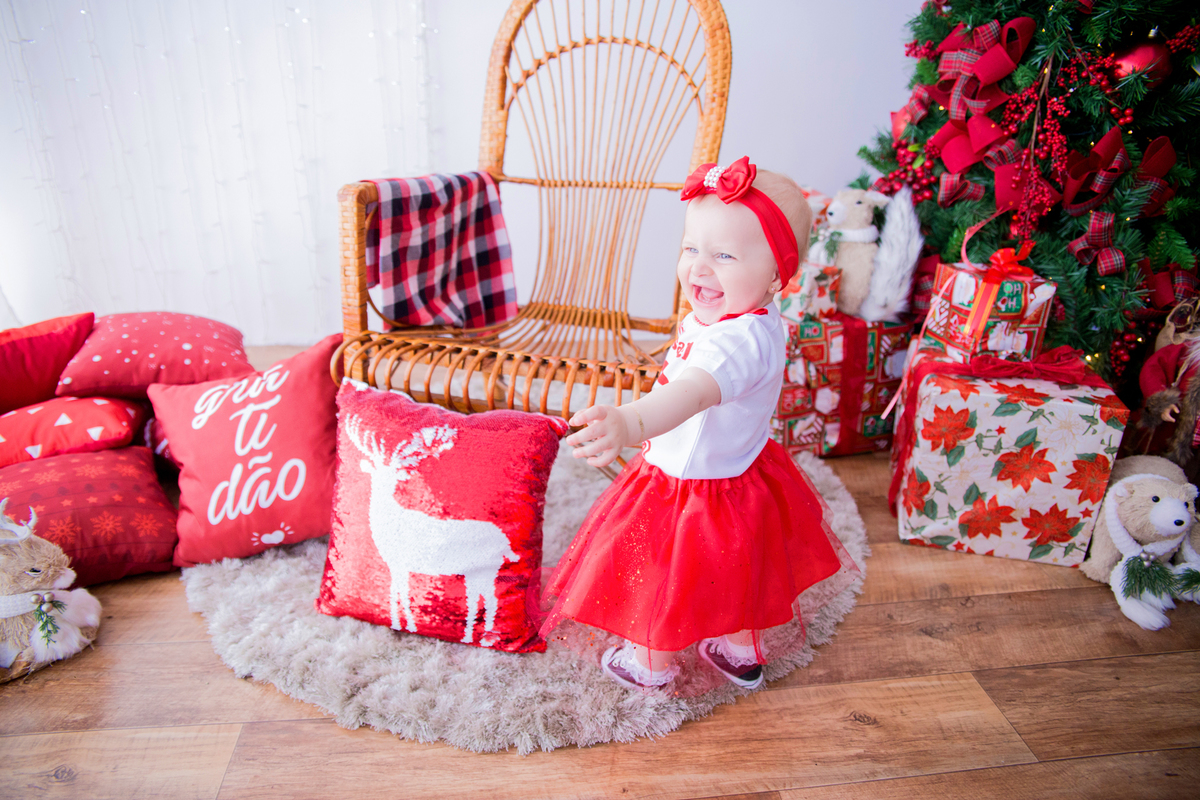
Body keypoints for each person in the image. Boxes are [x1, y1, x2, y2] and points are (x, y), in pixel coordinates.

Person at [540, 157, 860, 693]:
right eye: (691, 248)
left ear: (778, 274)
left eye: (725, 255)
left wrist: (630, 420)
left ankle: (650, 662)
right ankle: (739, 652)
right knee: (736, 570)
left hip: (688, 484)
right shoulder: (742, 316)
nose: (699, 268)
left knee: (665, 572)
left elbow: (688, 395)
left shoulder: (733, 346)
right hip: (738, 473)